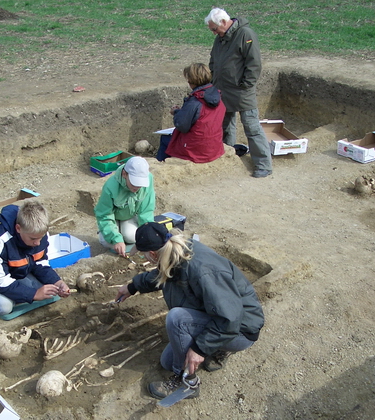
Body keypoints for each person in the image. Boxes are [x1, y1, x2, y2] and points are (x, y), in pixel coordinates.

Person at [115, 222, 264, 401]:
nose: (144, 258)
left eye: (143, 254)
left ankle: (187, 382)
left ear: (153, 254)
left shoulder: (202, 270)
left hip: (241, 329)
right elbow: (164, 274)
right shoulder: (175, 251)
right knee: (167, 362)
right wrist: (133, 287)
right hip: (221, 316)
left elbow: (230, 318)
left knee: (177, 319)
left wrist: (199, 349)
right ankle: (212, 348)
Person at [0, 200, 71, 318]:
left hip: (13, 269)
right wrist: (34, 294)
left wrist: (58, 282)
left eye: (40, 238)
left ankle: (13, 292)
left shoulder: (39, 234)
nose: (37, 243)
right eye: (33, 239)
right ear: (18, 228)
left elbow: (40, 263)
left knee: (50, 290)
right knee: (4, 306)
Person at [205, 7, 273, 178]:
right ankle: (227, 157)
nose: (214, 33)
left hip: (242, 91)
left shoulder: (245, 34)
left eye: (214, 29)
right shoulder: (220, 39)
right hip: (222, 89)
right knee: (225, 125)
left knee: (251, 126)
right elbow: (214, 60)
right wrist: (214, 79)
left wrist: (246, 85)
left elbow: (254, 63)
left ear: (223, 22)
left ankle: (263, 164)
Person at [156, 63, 226, 163]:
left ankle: (161, 166)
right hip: (214, 147)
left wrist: (176, 112)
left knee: (165, 139)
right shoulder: (218, 97)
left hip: (197, 150)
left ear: (192, 81)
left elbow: (182, 125)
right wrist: (182, 111)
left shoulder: (195, 101)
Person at [94, 156, 155, 257]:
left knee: (131, 236)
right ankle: (117, 236)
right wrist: (116, 239)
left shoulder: (148, 179)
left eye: (140, 184)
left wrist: (148, 237)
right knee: (106, 241)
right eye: (134, 182)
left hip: (130, 216)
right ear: (124, 174)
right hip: (113, 218)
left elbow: (146, 211)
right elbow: (104, 215)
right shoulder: (110, 186)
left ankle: (124, 237)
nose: (137, 187)